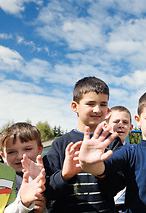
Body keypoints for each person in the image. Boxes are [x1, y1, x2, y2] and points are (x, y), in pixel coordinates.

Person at [42, 76, 123, 212]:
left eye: (103, 104)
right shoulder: (60, 145)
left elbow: (118, 185)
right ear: (75, 106)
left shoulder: (112, 142)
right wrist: (65, 175)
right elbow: (48, 191)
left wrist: (100, 171)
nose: (97, 109)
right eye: (90, 104)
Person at [0, 122, 47, 212]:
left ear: (40, 149)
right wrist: (24, 203)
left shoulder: (46, 174)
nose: (20, 156)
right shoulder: (4, 181)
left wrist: (43, 208)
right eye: (11, 152)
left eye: (27, 149)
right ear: (3, 156)